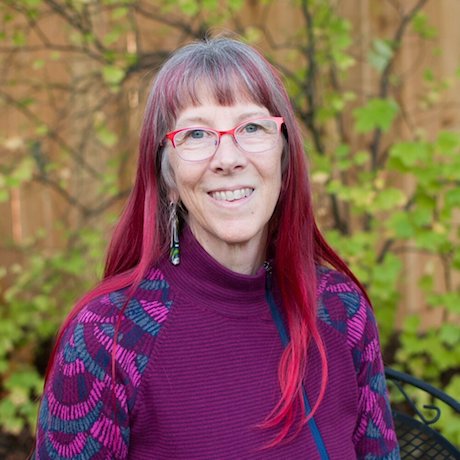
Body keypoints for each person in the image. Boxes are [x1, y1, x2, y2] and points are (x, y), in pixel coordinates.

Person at [34, 37, 399, 459]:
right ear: (168, 177)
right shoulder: (108, 336)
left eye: (251, 128)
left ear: (284, 159)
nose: (228, 158)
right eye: (196, 134)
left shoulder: (340, 310)